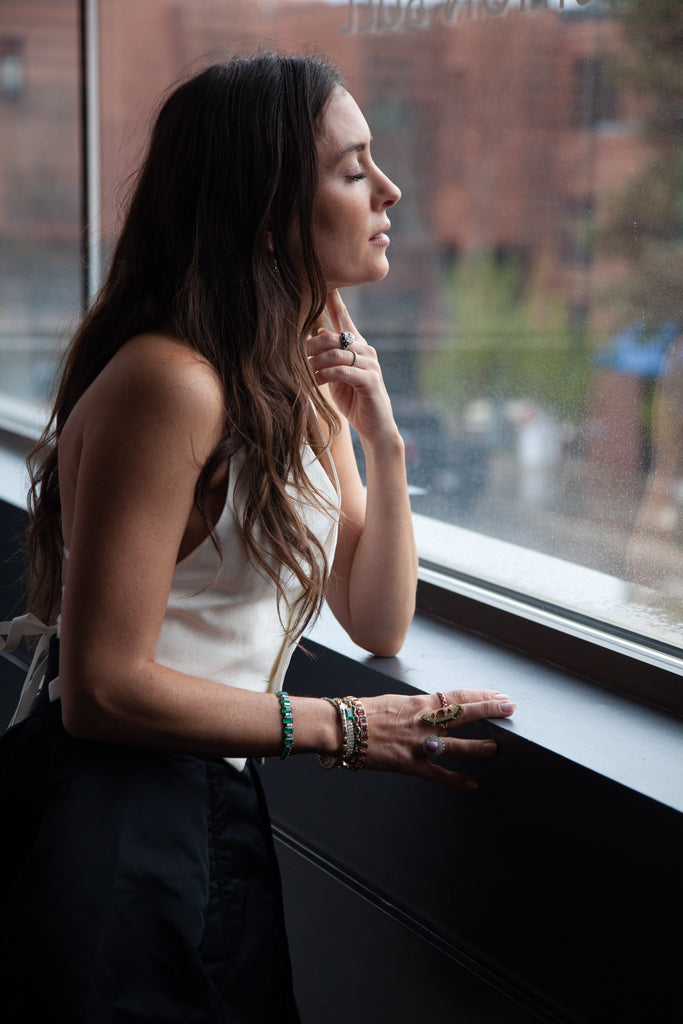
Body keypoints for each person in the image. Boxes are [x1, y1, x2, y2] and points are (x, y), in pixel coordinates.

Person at [0, 53, 516, 1022]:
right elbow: (103, 689)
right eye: (353, 168)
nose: (389, 189)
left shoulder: (292, 388)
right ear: (269, 207)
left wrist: (384, 442)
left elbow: (376, 618)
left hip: (215, 809)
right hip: (118, 816)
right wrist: (346, 727)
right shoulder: (173, 382)